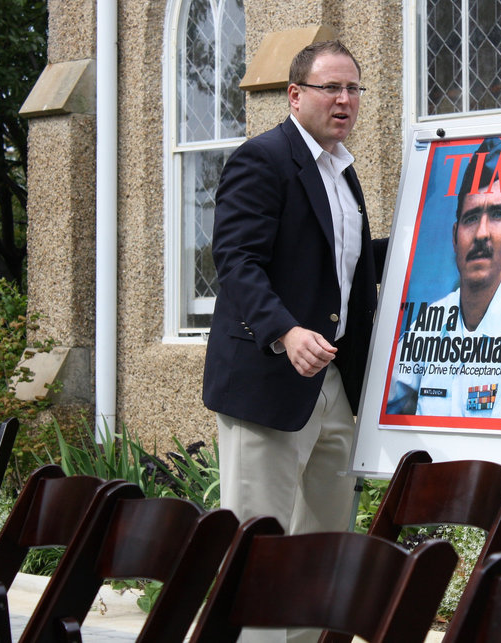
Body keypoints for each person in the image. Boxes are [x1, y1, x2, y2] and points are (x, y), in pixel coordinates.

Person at [202, 40, 386, 641]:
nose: (344, 99)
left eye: (354, 88)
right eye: (332, 87)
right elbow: (236, 261)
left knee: (324, 548)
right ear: (295, 94)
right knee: (260, 546)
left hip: (337, 384)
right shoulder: (263, 159)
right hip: (272, 380)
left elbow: (346, 268)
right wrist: (284, 330)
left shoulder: (345, 172)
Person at [387, 137, 501, 419]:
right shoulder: (431, 321)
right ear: (454, 235)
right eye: (471, 218)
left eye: (498, 214)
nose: (481, 233)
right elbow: (385, 401)